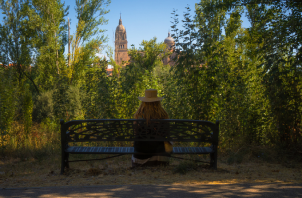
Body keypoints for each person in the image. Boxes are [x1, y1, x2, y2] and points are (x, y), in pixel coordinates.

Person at [132, 89, 172, 167]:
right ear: (158, 102)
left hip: (140, 156)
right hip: (161, 157)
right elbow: (167, 133)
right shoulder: (164, 115)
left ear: (144, 102)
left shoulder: (138, 116)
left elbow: (136, 134)